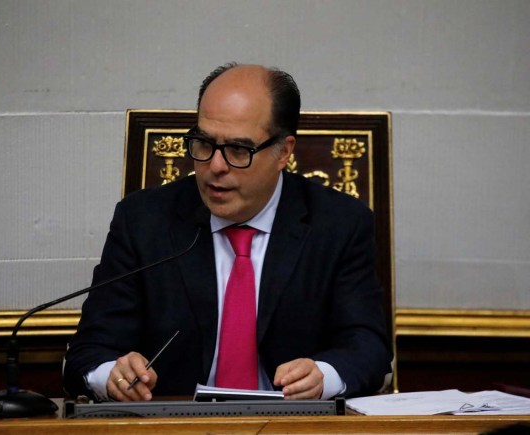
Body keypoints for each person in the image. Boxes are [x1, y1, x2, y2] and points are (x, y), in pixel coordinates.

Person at [63, 63, 392, 402]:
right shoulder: (144, 221)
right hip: (174, 428)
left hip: (290, 427)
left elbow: (368, 347)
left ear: (284, 152)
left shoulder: (339, 224)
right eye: (204, 143)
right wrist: (111, 375)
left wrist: (324, 375)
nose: (215, 166)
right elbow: (88, 353)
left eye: (239, 150)